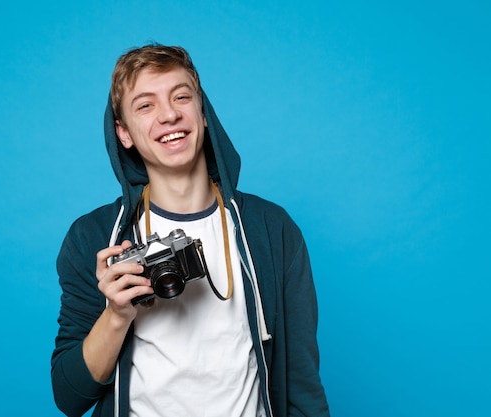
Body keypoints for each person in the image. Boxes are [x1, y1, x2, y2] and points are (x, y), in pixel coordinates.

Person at [51, 44, 329, 417]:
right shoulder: (97, 237)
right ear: (124, 133)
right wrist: (116, 315)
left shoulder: (271, 230)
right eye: (145, 105)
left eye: (181, 96)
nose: (169, 115)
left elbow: (302, 385)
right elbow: (70, 397)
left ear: (203, 112)